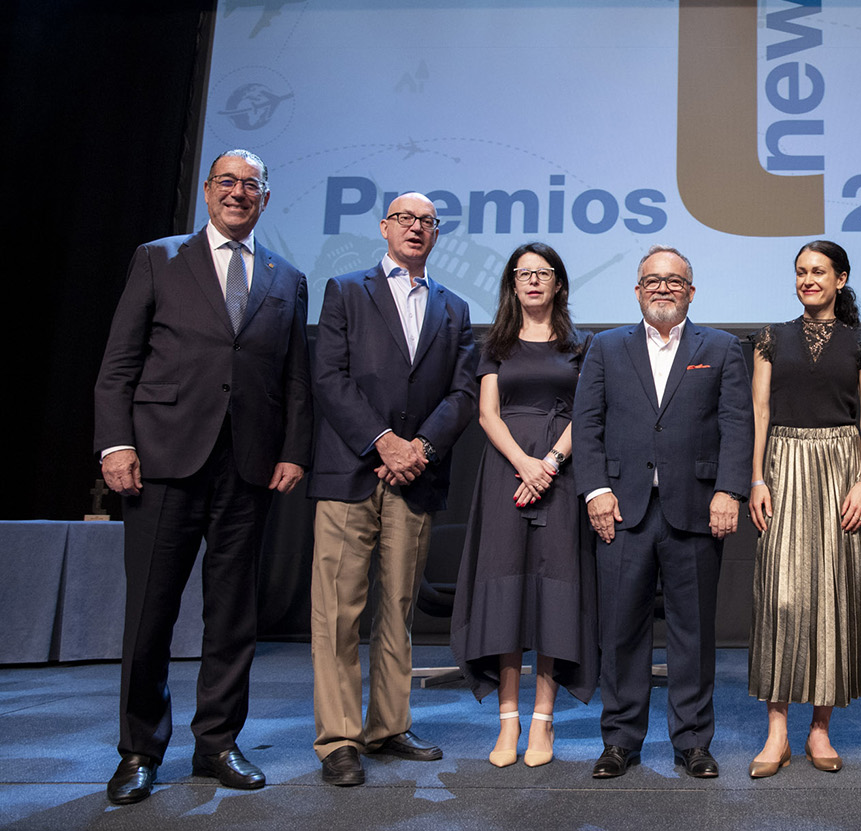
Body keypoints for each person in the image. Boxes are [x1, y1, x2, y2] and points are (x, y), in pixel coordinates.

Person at [94, 149, 312, 804]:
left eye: (252, 185)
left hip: (246, 467)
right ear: (208, 191)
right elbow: (118, 364)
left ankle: (217, 740)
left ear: (266, 199)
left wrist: (294, 449)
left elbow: (296, 382)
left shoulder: (289, 277)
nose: (239, 193)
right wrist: (115, 444)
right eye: (228, 182)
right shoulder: (158, 257)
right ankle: (139, 748)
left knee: (233, 614)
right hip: (161, 460)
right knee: (150, 611)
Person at [305, 193, 478, 786]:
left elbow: (462, 394)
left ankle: (387, 726)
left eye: (426, 221)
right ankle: (338, 739)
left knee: (398, 607)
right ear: (384, 228)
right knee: (337, 610)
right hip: (351, 472)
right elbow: (327, 377)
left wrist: (419, 450)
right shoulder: (345, 290)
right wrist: (383, 443)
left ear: (437, 234)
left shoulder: (454, 309)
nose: (415, 228)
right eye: (405, 218)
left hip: (417, 477)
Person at [572, 245, 752, 779]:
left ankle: (693, 741)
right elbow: (587, 425)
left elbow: (736, 424)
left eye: (674, 281)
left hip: (696, 508)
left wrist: (730, 491)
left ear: (691, 292)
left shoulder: (720, 347)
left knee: (692, 633)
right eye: (652, 280)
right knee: (621, 630)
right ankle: (620, 741)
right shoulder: (605, 347)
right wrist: (594, 490)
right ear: (637, 290)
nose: (663, 288)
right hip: (622, 509)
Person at [746, 240, 861, 779]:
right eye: (801, 272)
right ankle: (777, 732)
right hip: (782, 464)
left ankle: (820, 729)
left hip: (842, 470)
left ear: (841, 278)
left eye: (819, 272)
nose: (809, 280)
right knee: (782, 599)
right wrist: (756, 477)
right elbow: (759, 410)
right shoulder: (771, 337)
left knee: (834, 596)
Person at [449, 242, 598, 770]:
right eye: (523, 273)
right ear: (513, 284)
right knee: (506, 588)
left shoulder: (582, 347)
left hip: (562, 472)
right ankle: (508, 719)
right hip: (505, 474)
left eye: (543, 273)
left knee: (555, 589)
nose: (533, 281)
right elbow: (488, 415)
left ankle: (543, 722)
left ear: (558, 283)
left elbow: (588, 413)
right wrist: (524, 463)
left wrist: (550, 464)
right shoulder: (495, 345)